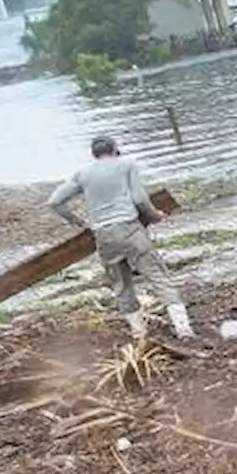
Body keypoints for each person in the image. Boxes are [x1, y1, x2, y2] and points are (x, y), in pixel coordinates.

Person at [48, 136, 194, 340]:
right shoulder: (127, 164)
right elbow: (140, 199)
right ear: (115, 149)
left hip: (103, 235)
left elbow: (55, 201)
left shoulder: (82, 174)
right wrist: (155, 215)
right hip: (129, 229)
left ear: (94, 154)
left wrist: (79, 222)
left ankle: (138, 333)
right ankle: (183, 329)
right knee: (159, 276)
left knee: (121, 285)